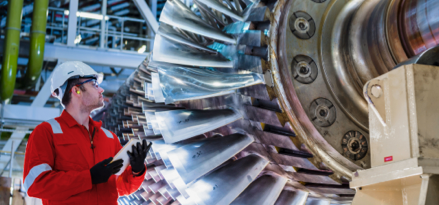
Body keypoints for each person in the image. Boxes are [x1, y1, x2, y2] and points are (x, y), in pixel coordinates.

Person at [22, 61, 151, 204]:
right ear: (76, 90)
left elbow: (120, 187)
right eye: (94, 84)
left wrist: (137, 171)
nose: (101, 90)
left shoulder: (109, 138)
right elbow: (35, 183)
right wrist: (89, 178)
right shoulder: (47, 132)